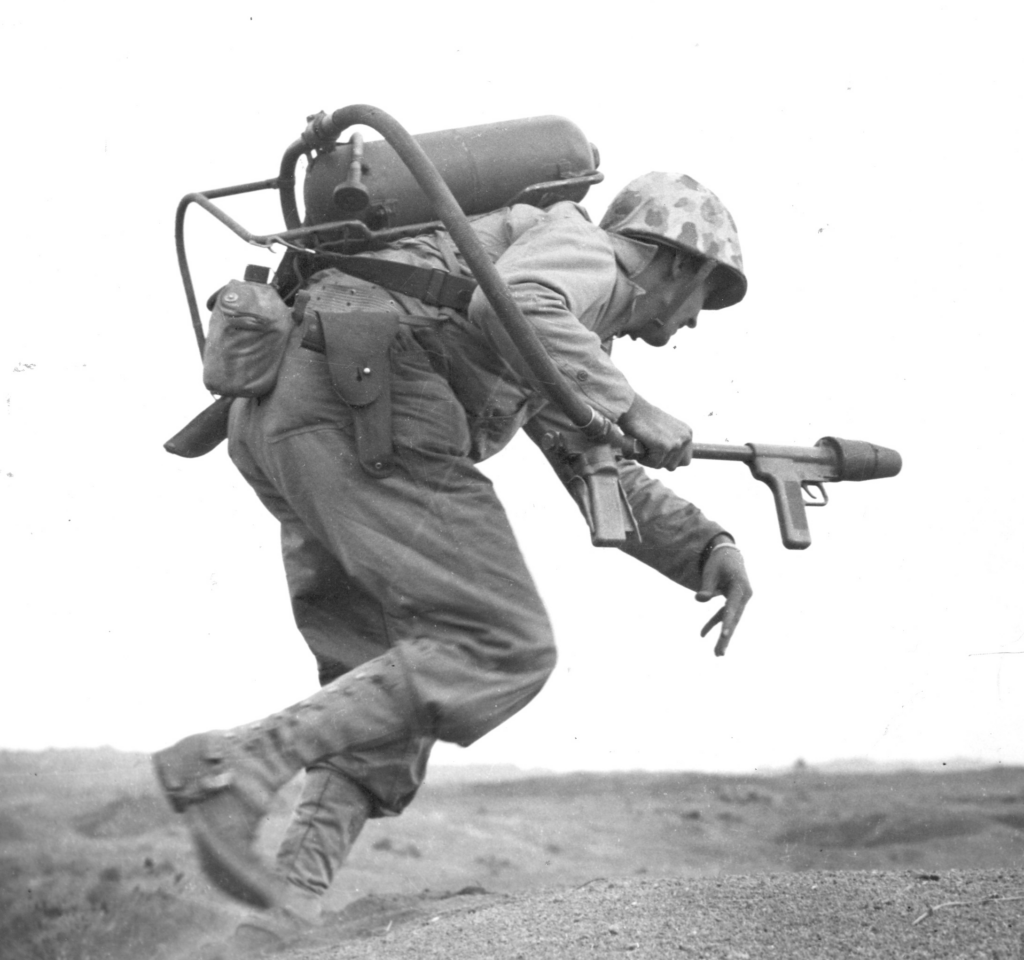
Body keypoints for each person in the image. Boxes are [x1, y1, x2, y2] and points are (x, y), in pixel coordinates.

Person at [154, 171, 754, 953]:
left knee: (386, 680)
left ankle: (282, 915)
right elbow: (525, 303)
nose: (692, 322)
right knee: (499, 644)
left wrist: (705, 548)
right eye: (704, 298)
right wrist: (632, 403)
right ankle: (235, 766)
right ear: (679, 264)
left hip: (291, 413)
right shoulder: (591, 251)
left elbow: (585, 454)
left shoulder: (555, 318)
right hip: (369, 401)